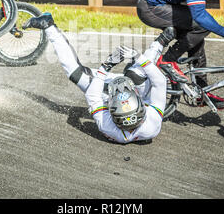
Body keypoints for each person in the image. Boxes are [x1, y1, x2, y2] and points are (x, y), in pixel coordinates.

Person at [23, 12, 170, 143]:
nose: (121, 85)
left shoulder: (107, 125)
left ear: (110, 111)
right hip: (142, 91)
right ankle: (162, 41)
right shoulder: (152, 123)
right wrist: (138, 57)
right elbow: (160, 82)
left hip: (107, 91)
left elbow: (92, 94)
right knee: (135, 75)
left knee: (75, 74)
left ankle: (48, 25)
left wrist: (106, 66)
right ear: (142, 106)